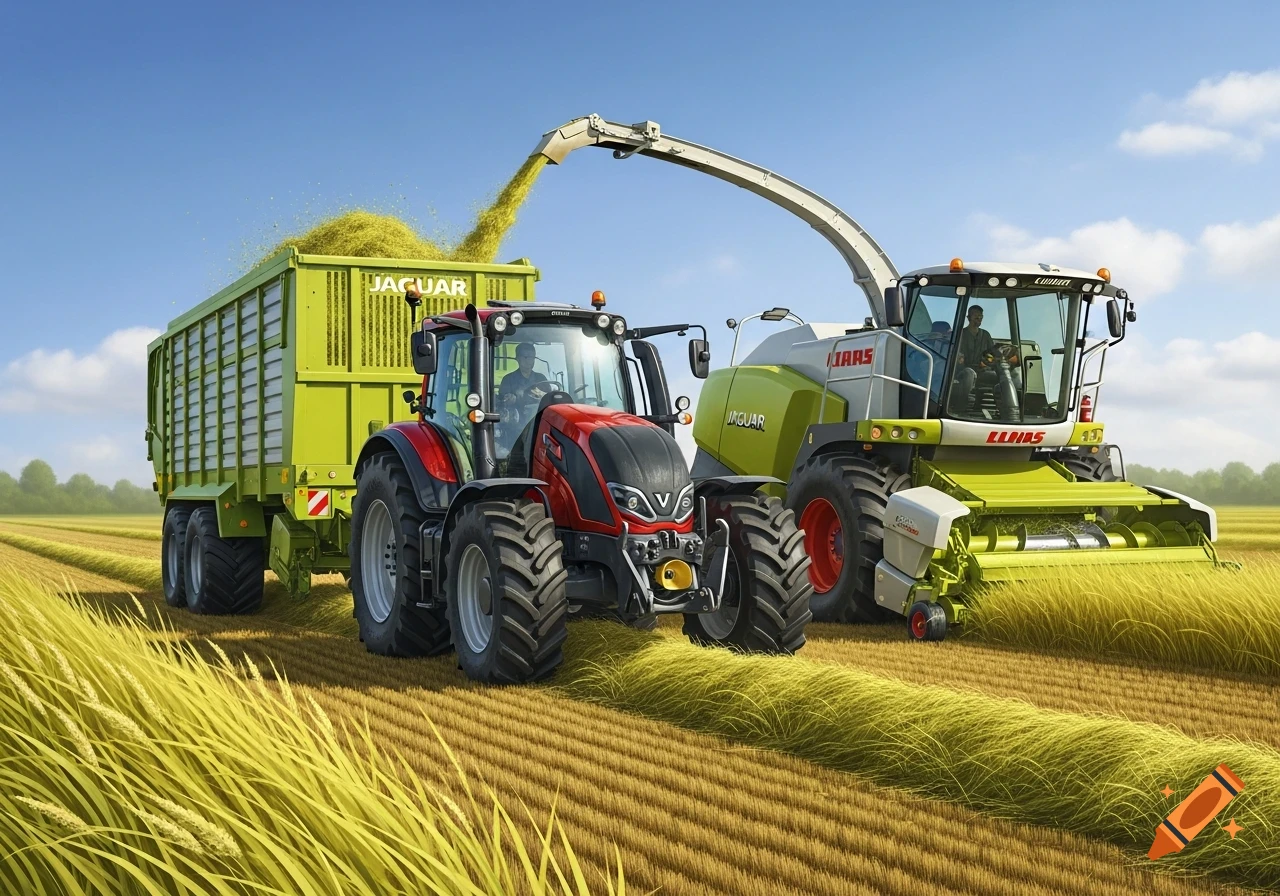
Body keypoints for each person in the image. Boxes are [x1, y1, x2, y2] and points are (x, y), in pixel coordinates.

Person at [497, 342, 549, 408]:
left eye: (532, 357)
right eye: (526, 357)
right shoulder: (508, 380)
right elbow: (502, 403)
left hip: (539, 416)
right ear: (518, 358)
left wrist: (542, 395)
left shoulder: (541, 378)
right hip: (517, 417)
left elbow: (549, 401)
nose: (530, 360)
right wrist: (509, 399)